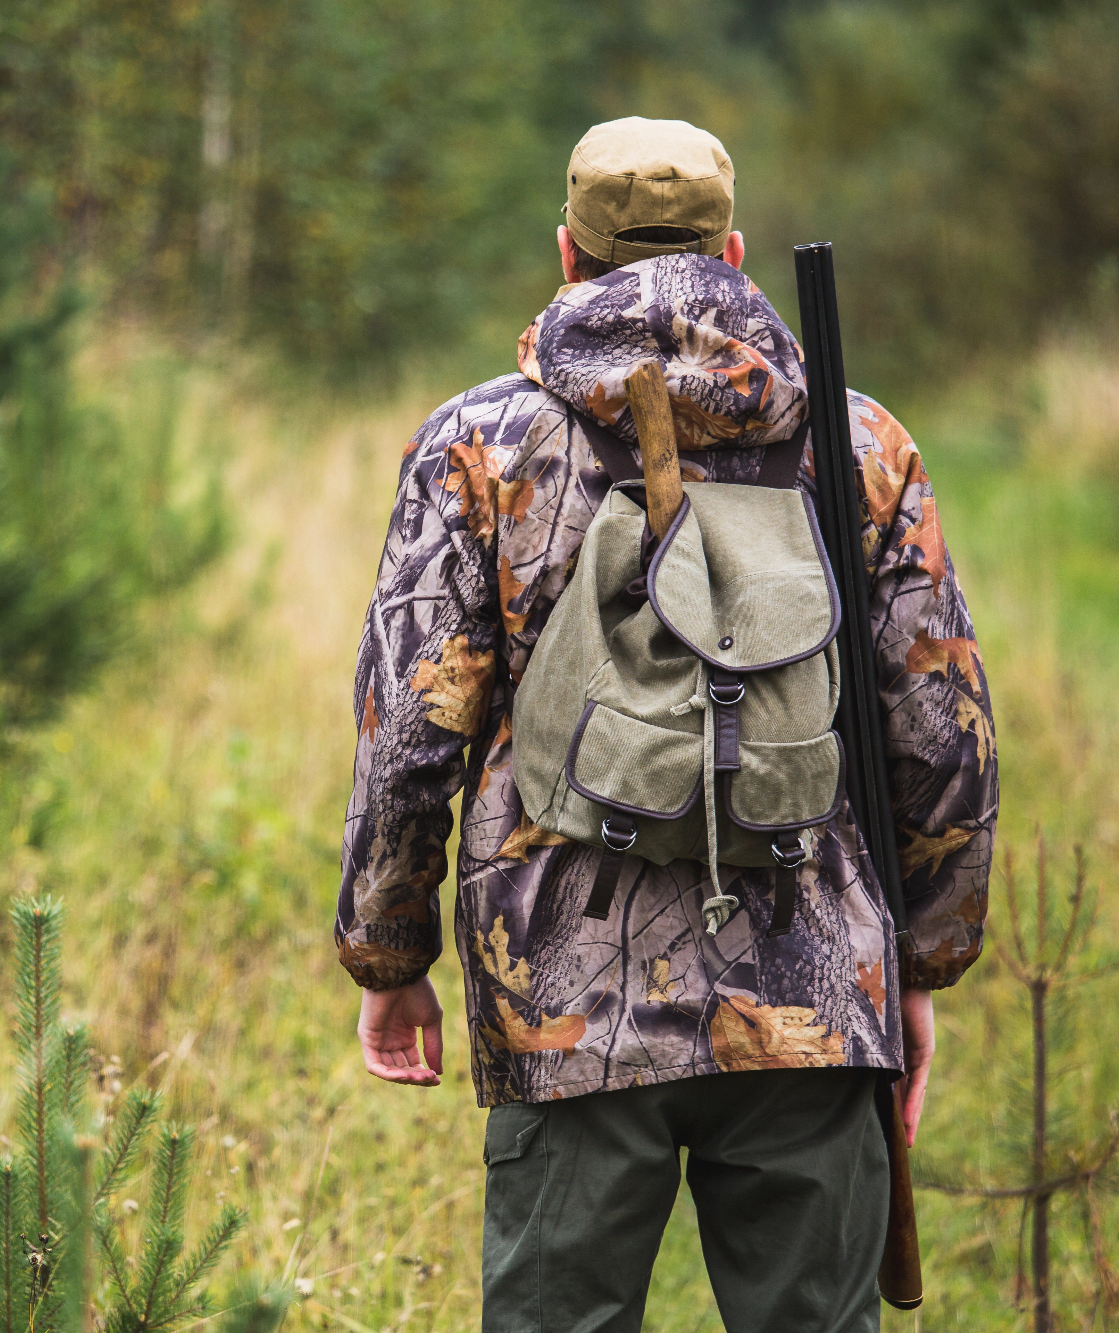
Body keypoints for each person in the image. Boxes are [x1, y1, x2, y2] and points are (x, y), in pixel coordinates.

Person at [335, 117, 998, 1333]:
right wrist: (919, 961)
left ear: (566, 254)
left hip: (561, 995)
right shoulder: (857, 440)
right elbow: (938, 725)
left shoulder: (478, 443)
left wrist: (388, 956)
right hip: (812, 980)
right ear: (734, 252)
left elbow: (409, 726)